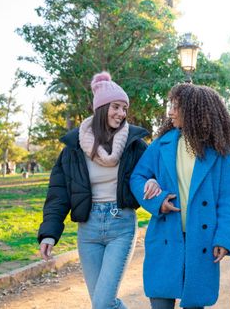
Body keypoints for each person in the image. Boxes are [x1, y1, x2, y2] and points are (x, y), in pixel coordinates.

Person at [38, 71, 149, 309]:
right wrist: (49, 233)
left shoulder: (135, 144)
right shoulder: (73, 147)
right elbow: (58, 193)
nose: (122, 114)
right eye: (116, 107)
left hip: (121, 226)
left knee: (102, 303)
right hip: (88, 230)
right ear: (101, 108)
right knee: (101, 304)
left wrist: (154, 185)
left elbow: (154, 174)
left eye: (124, 109)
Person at [129, 83, 230, 309]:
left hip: (202, 240)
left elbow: (228, 200)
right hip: (166, 233)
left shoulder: (219, 152)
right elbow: (137, 177)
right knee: (160, 299)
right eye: (171, 106)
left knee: (195, 302)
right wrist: (158, 202)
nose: (170, 112)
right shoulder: (162, 144)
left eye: (176, 107)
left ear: (195, 111)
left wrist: (223, 238)